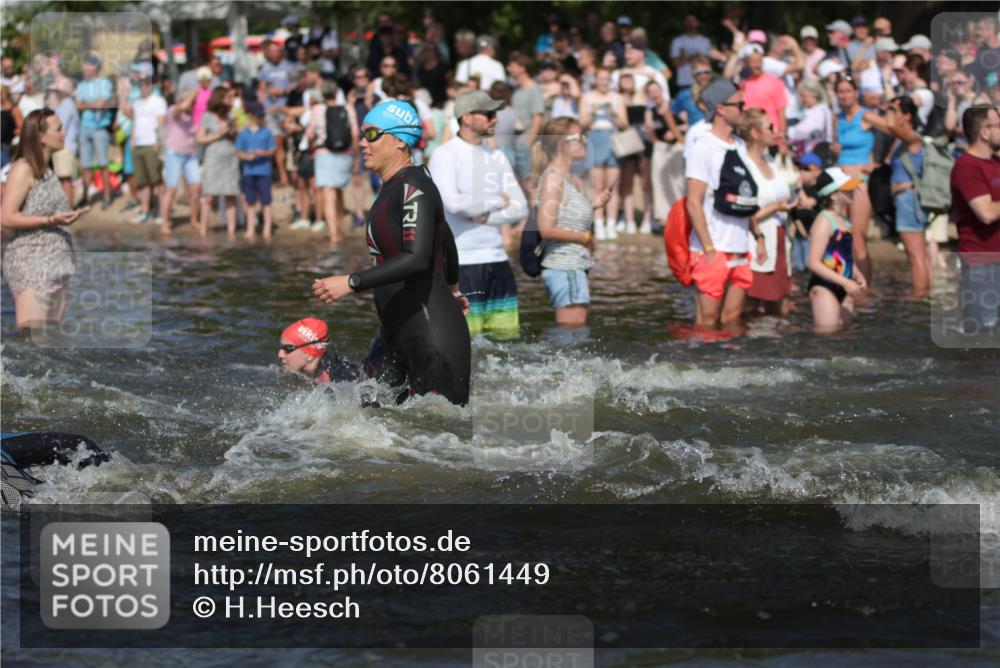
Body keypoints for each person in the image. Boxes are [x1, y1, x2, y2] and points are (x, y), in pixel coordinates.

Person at [312, 100, 471, 406]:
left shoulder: (414, 187)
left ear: (399, 141)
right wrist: (453, 287)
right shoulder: (394, 187)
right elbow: (446, 237)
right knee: (359, 414)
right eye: (362, 135)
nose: (362, 143)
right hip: (395, 332)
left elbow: (417, 257)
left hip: (432, 335)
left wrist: (351, 282)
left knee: (437, 430)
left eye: (372, 134)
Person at [429, 90, 528, 340]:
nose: (496, 119)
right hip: (462, 264)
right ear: (466, 117)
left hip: (498, 260)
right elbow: (453, 203)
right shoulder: (445, 154)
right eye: (489, 114)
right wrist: (498, 200)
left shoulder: (497, 155)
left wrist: (484, 216)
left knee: (506, 342)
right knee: (466, 342)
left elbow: (520, 206)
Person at [685, 78, 766, 330]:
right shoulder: (703, 146)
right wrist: (709, 249)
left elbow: (745, 197)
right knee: (707, 323)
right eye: (739, 105)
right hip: (714, 247)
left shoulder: (740, 146)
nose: (744, 109)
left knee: (732, 322)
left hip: (740, 247)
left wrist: (758, 236)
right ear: (720, 109)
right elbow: (693, 203)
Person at [1, 109, 84, 328]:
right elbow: (6, 217)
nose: (65, 133)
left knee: (52, 340)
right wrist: (50, 220)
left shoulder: (47, 171)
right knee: (32, 341)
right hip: (31, 265)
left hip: (57, 266)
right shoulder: (23, 168)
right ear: (41, 136)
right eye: (59, 129)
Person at [536, 117, 612, 327]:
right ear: (562, 144)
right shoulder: (554, 178)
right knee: (571, 331)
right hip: (564, 267)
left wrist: (592, 205)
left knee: (575, 333)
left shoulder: (572, 178)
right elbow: (545, 228)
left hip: (574, 265)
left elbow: (565, 215)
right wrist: (584, 237)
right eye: (579, 137)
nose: (585, 141)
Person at [863, 96, 930, 298]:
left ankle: (919, 295)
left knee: (915, 254)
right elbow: (878, 122)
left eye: (896, 111)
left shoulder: (912, 137)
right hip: (906, 199)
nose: (890, 115)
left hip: (908, 200)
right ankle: (925, 293)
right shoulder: (904, 140)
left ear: (907, 116)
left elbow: (889, 125)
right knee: (919, 253)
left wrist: (888, 109)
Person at [737, 108, 796, 315]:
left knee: (781, 307)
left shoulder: (770, 160)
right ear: (755, 133)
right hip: (756, 242)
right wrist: (776, 207)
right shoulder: (744, 165)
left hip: (780, 239)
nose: (775, 131)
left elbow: (783, 195)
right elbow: (744, 214)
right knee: (750, 307)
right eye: (770, 127)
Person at [950, 106, 1000, 333]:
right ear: (985, 132)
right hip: (982, 266)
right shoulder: (966, 166)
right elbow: (986, 213)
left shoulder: (995, 163)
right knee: (983, 337)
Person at [807, 168, 868, 332]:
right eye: (847, 189)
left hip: (844, 286)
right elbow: (813, 263)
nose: (852, 191)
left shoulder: (844, 221)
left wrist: (857, 274)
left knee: (844, 336)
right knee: (828, 336)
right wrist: (846, 282)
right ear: (833, 195)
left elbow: (844, 256)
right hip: (825, 287)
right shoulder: (824, 221)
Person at [833, 74, 876, 283]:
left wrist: (880, 162)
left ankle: (865, 286)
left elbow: (895, 130)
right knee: (842, 234)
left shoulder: (866, 116)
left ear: (856, 93)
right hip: (841, 182)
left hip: (860, 181)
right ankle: (847, 281)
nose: (844, 95)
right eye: (840, 91)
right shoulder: (838, 118)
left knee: (858, 236)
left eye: (848, 91)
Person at [308, 79, 360, 244]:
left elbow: (310, 134)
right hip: (345, 154)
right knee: (338, 191)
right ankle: (340, 230)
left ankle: (333, 235)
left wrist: (311, 149)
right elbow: (355, 135)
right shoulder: (348, 108)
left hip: (324, 153)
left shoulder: (317, 109)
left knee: (328, 193)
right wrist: (356, 157)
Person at [579, 67, 626, 240]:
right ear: (596, 80)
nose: (604, 82)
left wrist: (613, 113)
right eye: (601, 78)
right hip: (595, 137)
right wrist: (592, 112)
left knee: (613, 186)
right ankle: (599, 224)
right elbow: (582, 123)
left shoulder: (617, 97)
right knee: (597, 185)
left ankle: (611, 224)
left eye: (607, 79)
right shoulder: (587, 97)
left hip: (613, 138)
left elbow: (624, 124)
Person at [196, 87, 240, 239]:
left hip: (230, 157)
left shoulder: (231, 116)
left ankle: (231, 232)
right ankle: (203, 231)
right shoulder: (207, 116)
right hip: (213, 158)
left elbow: (234, 138)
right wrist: (218, 134)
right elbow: (200, 138)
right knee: (209, 196)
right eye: (228, 97)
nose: (231, 100)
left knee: (230, 195)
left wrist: (233, 131)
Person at [159, 86, 201, 236]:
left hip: (190, 155)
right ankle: (164, 222)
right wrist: (193, 92)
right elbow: (182, 107)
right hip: (174, 154)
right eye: (190, 101)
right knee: (171, 189)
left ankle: (194, 219)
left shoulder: (194, 115)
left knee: (196, 187)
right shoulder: (173, 110)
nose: (192, 104)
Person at [75, 53, 114, 209]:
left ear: (96, 67)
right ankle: (85, 197)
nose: (84, 67)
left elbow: (101, 105)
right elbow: (78, 106)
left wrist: (86, 104)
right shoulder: (81, 84)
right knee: (85, 165)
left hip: (100, 128)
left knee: (103, 164)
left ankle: (107, 195)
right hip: (84, 127)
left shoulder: (105, 83)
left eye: (88, 64)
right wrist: (93, 104)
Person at [507, 52, 545, 207]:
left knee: (530, 183)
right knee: (522, 183)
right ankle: (528, 216)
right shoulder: (517, 91)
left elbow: (538, 117)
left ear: (522, 67)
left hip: (527, 143)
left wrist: (529, 142)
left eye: (512, 65)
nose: (509, 68)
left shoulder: (533, 89)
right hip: (516, 142)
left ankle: (535, 217)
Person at [258, 40, 298, 188]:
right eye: (272, 51)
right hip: (271, 111)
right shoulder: (265, 68)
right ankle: (283, 177)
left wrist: (284, 91)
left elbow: (297, 85)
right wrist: (263, 104)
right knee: (277, 144)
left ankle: (294, 174)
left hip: (287, 110)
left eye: (277, 51)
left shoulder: (289, 67)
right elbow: (261, 89)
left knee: (291, 143)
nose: (274, 54)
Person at [235, 101, 276, 241]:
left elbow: (272, 149)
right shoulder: (243, 134)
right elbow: (238, 152)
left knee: (266, 201)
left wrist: (264, 153)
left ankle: (267, 229)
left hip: (264, 171)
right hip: (249, 171)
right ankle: (250, 228)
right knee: (250, 201)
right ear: (251, 116)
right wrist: (247, 156)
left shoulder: (267, 132)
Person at [129, 76, 166, 225]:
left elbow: (161, 123)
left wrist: (159, 142)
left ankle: (161, 212)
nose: (143, 87)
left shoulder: (158, 101)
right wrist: (133, 141)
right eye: (141, 85)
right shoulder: (137, 103)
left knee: (157, 180)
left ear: (151, 85)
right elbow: (135, 122)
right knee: (142, 182)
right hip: (138, 145)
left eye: (146, 84)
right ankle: (145, 211)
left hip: (152, 144)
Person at [47, 77, 78, 206]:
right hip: (64, 147)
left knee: (65, 180)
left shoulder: (67, 105)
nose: (55, 93)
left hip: (64, 147)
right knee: (64, 180)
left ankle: (68, 209)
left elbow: (59, 127)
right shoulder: (65, 104)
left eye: (57, 91)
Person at [786, 78, 833, 155]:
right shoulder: (823, 109)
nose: (801, 100)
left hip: (817, 154)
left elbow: (804, 131)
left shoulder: (818, 111)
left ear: (813, 94)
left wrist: (787, 133)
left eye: (803, 96)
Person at [671, 15, 714, 90]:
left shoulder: (705, 41)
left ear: (698, 23)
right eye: (688, 21)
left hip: (703, 83)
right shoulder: (677, 41)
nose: (690, 23)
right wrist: (696, 57)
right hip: (684, 84)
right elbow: (675, 63)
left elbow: (708, 63)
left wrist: (686, 57)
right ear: (684, 23)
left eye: (692, 21)